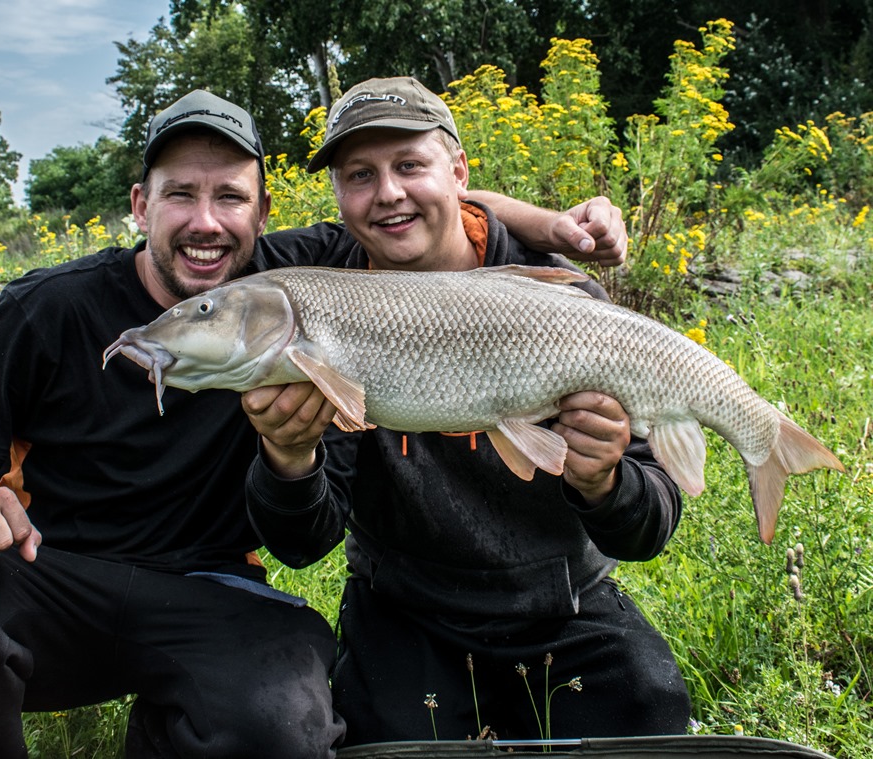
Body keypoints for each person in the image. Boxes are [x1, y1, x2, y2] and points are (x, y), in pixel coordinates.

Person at [0, 85, 626, 758]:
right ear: (140, 205)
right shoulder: (51, 307)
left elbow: (415, 199)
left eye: (229, 197)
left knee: (281, 723)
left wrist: (556, 228)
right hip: (51, 576)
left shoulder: (284, 282)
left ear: (261, 213)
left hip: (212, 587)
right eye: (180, 195)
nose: (206, 223)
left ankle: (169, 731)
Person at [243, 76, 692, 746]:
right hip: (403, 611)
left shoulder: (560, 293)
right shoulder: (319, 304)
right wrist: (287, 459)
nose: (388, 193)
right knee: (383, 744)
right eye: (359, 175)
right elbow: (303, 542)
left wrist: (605, 482)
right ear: (338, 195)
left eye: (410, 165)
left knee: (651, 714)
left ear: (458, 172)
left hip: (561, 605)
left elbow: (650, 525)